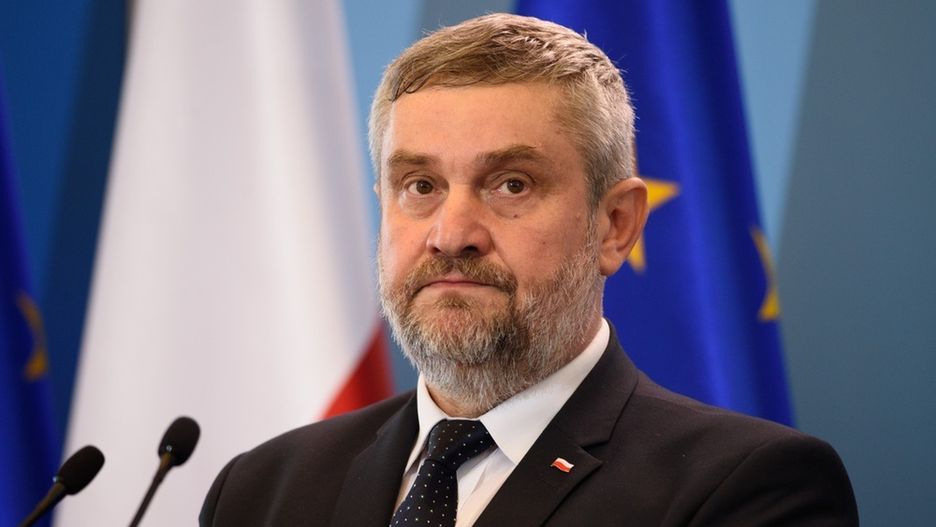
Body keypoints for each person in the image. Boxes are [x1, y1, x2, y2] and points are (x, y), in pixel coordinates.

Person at [200, 13, 858, 526]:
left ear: (616, 224)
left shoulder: (747, 487)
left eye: (511, 184)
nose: (451, 234)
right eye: (420, 186)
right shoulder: (261, 490)